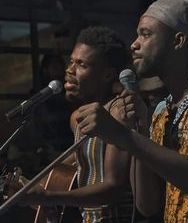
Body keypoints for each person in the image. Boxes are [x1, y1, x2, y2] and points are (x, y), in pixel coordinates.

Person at [75, 0, 188, 222]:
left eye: (146, 34)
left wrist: (124, 137)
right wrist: (140, 131)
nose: (134, 43)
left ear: (178, 40)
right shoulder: (162, 110)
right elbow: (147, 205)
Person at [10, 26, 134, 223]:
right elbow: (64, 170)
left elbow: (113, 187)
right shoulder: (77, 117)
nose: (69, 70)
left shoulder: (118, 111)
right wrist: (27, 186)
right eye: (71, 61)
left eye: (82, 64)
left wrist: (47, 197)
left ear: (108, 75)